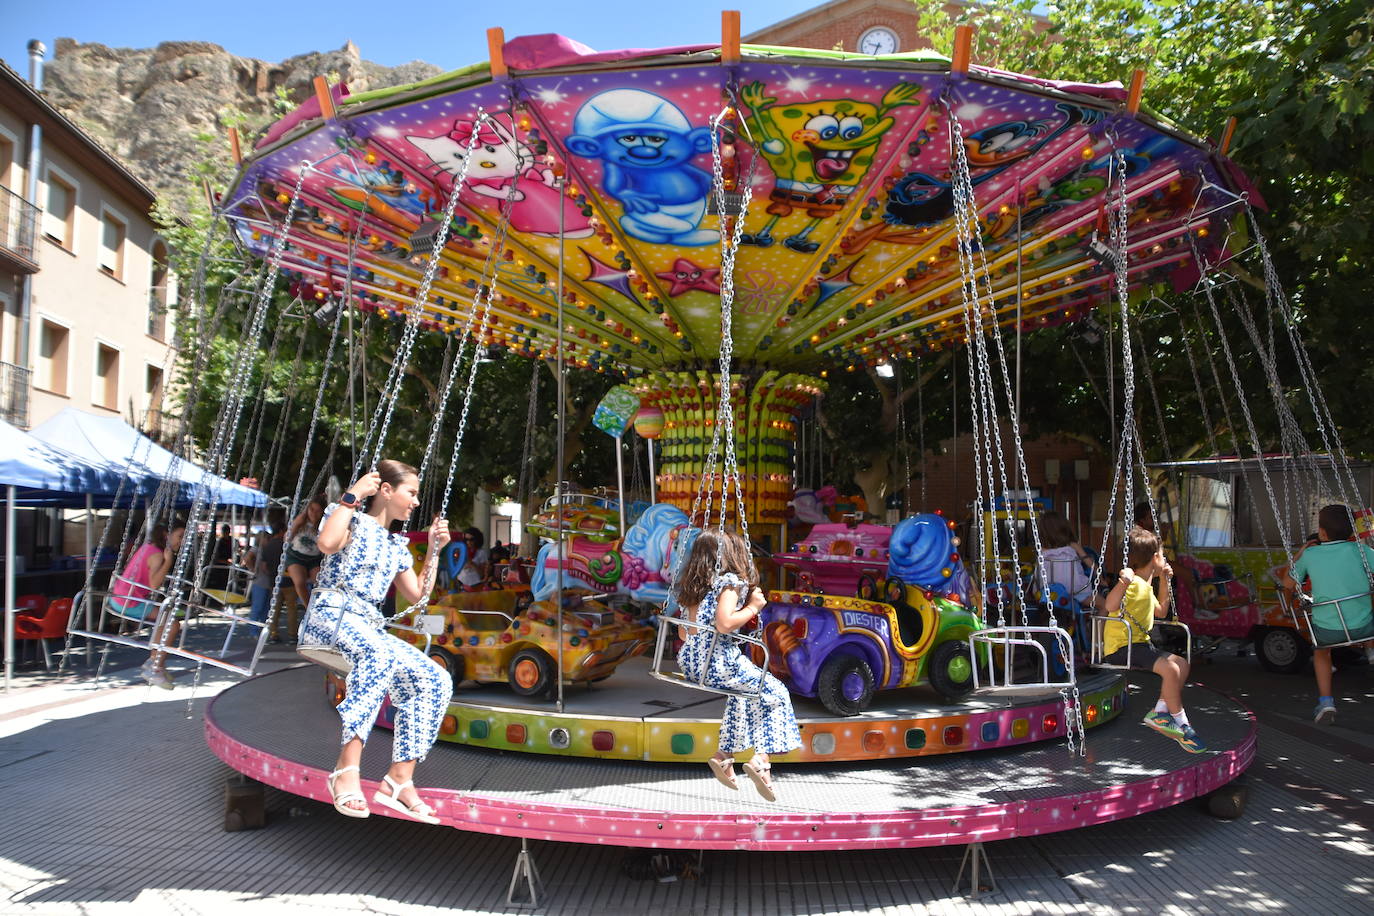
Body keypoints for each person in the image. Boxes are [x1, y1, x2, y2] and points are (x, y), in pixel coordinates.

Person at [307, 460, 452, 822]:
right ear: (386, 491)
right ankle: (346, 770)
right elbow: (326, 544)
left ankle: (398, 781)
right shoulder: (348, 517)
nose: (416, 502)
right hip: (331, 614)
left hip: (367, 625)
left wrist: (433, 549)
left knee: (435, 678)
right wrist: (353, 495)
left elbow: (418, 596)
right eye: (412, 493)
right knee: (377, 654)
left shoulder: (397, 545)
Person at [675, 529, 801, 801]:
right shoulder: (729, 583)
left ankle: (724, 756)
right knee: (777, 694)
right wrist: (753, 607)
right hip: (721, 663)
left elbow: (684, 634)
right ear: (732, 555)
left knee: (742, 695)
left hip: (693, 663)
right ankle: (761, 761)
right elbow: (725, 623)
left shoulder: (695, 586)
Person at [1099, 525, 1205, 753]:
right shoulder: (1133, 582)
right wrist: (1123, 582)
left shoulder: (1145, 586)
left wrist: (1165, 580)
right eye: (1163, 554)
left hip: (1139, 644)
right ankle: (1183, 723)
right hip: (1122, 647)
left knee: (1181, 664)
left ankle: (1159, 712)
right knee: (1171, 670)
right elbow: (1109, 605)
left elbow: (1161, 612)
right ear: (1155, 557)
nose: (1165, 558)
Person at [1278, 504, 1374, 724]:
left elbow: (1288, 583)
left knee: (1321, 652)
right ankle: (1370, 652)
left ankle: (1326, 701)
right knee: (1368, 609)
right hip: (1364, 628)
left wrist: (1303, 550)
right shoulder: (1361, 550)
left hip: (1328, 631)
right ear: (1352, 532)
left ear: (1321, 533)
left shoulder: (1311, 555)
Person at [110, 522, 186, 690]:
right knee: (172, 624)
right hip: (129, 602)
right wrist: (168, 562)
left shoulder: (148, 547)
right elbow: (153, 584)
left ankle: (155, 663)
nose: (182, 541)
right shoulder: (158, 555)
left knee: (165, 618)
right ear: (167, 535)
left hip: (120, 596)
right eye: (180, 536)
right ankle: (155, 666)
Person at [1036, 510, 1095, 604]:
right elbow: (1090, 564)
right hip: (1074, 591)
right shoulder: (1072, 545)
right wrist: (1102, 579)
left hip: (1048, 590)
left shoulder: (1042, 550)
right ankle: (1099, 619)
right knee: (1104, 605)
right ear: (1064, 528)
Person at [284, 495, 326, 606]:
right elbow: (287, 539)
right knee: (299, 582)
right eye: (312, 509)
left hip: (314, 559)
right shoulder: (300, 522)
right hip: (296, 556)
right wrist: (296, 524)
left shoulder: (323, 525)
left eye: (318, 511)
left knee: (320, 582)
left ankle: (320, 605)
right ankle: (309, 608)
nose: (314, 513)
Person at [248, 516, 286, 630]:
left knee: (265, 607)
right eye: (267, 538)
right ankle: (253, 630)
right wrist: (253, 570)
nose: (268, 540)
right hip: (260, 581)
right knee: (258, 606)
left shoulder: (264, 550)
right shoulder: (256, 549)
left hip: (265, 581)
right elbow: (247, 558)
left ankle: (261, 629)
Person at [208, 524, 235, 590]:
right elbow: (215, 558)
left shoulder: (231, 541)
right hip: (219, 568)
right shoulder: (219, 542)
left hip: (227, 567)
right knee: (220, 584)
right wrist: (227, 562)